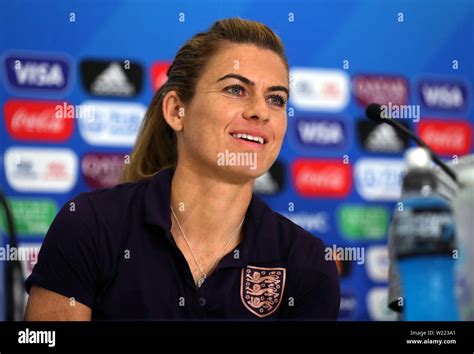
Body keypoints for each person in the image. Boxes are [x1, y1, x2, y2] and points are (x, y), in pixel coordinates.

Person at [24, 18, 340, 320]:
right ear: (177, 111)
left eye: (276, 99)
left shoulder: (307, 262)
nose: (260, 111)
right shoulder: (89, 226)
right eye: (235, 89)